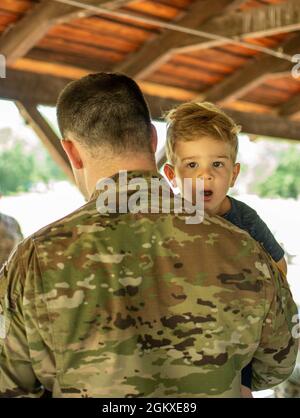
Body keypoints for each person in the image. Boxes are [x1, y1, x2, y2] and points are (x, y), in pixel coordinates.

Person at [0, 73, 298, 398]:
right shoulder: (243, 245)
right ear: (153, 140)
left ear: (72, 152)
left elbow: (9, 383)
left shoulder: (35, 259)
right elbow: (277, 364)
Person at [162, 101, 290, 397]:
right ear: (172, 174)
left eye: (217, 165)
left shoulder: (244, 219)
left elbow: (279, 268)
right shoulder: (165, 219)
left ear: (233, 173)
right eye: (192, 165)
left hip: (232, 334)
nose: (205, 176)